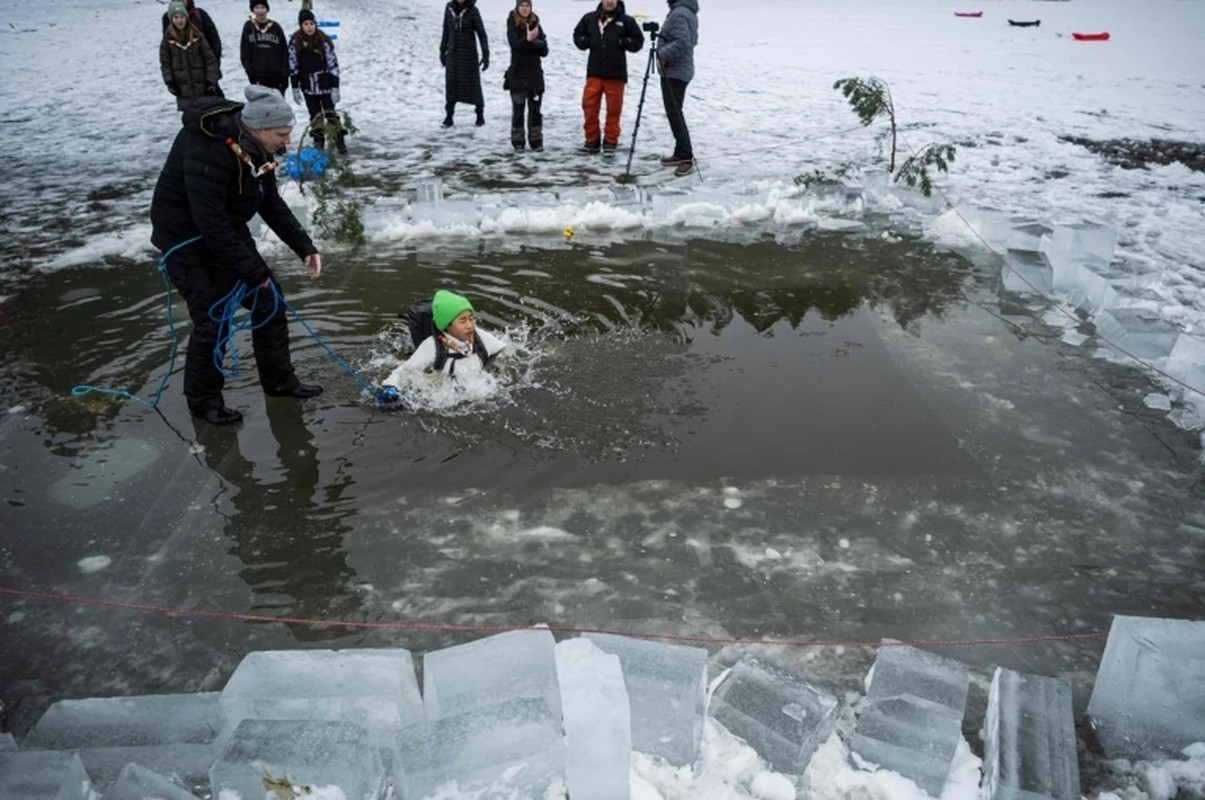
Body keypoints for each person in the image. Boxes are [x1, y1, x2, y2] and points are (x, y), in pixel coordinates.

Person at [150, 86, 324, 425]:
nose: (286, 142)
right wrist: (252, 269)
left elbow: (268, 201)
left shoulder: (255, 149)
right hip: (187, 243)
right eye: (281, 134)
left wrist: (305, 246)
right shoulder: (209, 150)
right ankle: (204, 403)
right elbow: (210, 224)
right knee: (213, 320)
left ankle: (279, 382)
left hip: (225, 230)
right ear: (258, 128)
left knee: (269, 301)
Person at [383, 290, 507, 388]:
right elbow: (404, 371)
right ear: (447, 325)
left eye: (471, 318)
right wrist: (391, 387)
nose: (470, 325)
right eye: (462, 321)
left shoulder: (481, 338)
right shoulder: (431, 346)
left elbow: (505, 350)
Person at [572, 0, 643, 156]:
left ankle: (610, 143)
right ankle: (591, 142)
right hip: (594, 72)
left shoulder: (626, 21)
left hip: (616, 74)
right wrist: (586, 41)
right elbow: (577, 35)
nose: (609, 2)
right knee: (589, 107)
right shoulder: (590, 18)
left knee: (613, 110)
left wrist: (623, 42)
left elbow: (638, 42)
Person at [289, 9, 345, 154]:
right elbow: (293, 66)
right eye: (306, 24)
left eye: (312, 23)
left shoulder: (323, 40)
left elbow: (333, 65)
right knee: (315, 117)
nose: (309, 27)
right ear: (301, 25)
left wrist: (335, 87)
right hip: (308, 87)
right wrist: (295, 87)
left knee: (331, 115)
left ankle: (340, 144)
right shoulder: (296, 42)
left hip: (325, 85)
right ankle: (319, 145)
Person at [657, 0, 698, 176]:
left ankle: (686, 157)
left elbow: (684, 42)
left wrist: (662, 54)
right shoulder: (686, 11)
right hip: (678, 70)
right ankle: (680, 152)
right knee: (675, 112)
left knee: (675, 113)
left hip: (676, 71)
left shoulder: (680, 13)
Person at [160, 1, 221, 111]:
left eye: (182, 17)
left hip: (204, 77)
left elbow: (213, 46)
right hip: (182, 84)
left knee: (213, 110)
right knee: (191, 118)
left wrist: (212, 75)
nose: (179, 20)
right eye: (176, 17)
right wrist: (170, 81)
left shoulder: (199, 23)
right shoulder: (167, 38)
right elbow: (166, 61)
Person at [505, 0, 548, 152]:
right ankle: (518, 141)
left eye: (527, 6)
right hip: (517, 74)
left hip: (535, 74)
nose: (524, 9)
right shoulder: (512, 22)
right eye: (522, 6)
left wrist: (535, 43)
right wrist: (529, 40)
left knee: (535, 110)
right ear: (517, 7)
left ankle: (536, 140)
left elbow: (544, 49)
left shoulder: (535, 22)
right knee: (518, 109)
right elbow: (515, 45)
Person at [441, 0, 490, 128]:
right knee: (451, 87)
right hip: (453, 54)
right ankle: (449, 116)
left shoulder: (473, 11)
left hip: (469, 55)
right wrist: (442, 50)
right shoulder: (449, 8)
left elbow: (481, 33)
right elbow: (446, 30)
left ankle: (480, 115)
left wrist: (486, 55)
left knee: (473, 86)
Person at [242, 1, 289, 95]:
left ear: (267, 9)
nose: (260, 11)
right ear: (253, 10)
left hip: (276, 76)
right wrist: (250, 73)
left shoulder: (276, 27)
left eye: (263, 7)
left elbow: (284, 52)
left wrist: (284, 74)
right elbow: (245, 52)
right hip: (258, 77)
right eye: (257, 8)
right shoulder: (248, 27)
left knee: (278, 107)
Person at [160, 0, 222, 71]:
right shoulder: (167, 18)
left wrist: (214, 67)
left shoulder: (199, 14)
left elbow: (214, 40)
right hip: (180, 75)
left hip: (204, 71)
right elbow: (166, 51)